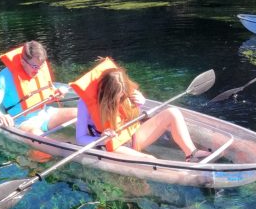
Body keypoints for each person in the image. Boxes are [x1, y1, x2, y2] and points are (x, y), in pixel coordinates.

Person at [70, 58, 209, 162]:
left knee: (173, 112)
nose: (121, 100)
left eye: (123, 95)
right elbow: (80, 138)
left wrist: (141, 103)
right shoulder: (85, 104)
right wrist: (102, 139)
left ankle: (192, 153)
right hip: (113, 146)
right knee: (150, 160)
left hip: (133, 136)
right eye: (117, 98)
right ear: (106, 94)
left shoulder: (126, 92)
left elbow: (132, 116)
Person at [0, 41, 76, 135]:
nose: (37, 71)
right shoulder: (4, 77)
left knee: (78, 113)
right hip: (22, 122)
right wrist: (0, 116)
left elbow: (49, 93)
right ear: (22, 62)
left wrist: (58, 94)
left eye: (40, 66)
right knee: (36, 133)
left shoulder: (40, 70)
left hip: (45, 114)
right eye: (34, 66)